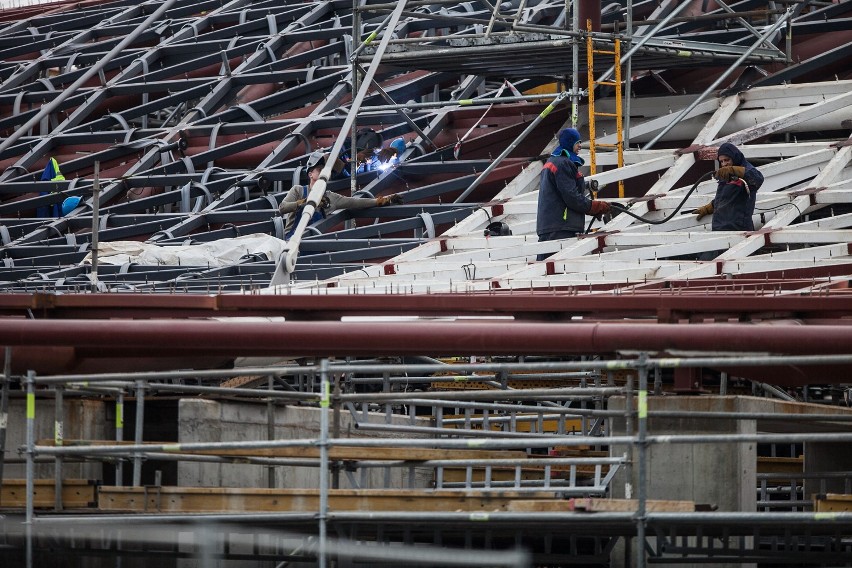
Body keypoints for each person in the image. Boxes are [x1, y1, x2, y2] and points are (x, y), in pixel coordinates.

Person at [278, 151, 402, 239]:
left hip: (313, 244)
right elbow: (282, 208)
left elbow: (355, 202)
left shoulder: (331, 198)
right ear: (310, 174)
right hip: (290, 242)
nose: (325, 174)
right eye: (320, 170)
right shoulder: (297, 191)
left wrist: (382, 201)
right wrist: (304, 203)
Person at [535, 128, 611, 261]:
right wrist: (594, 207)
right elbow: (572, 197)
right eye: (577, 142)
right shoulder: (564, 164)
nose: (580, 145)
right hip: (561, 227)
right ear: (569, 143)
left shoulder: (552, 162)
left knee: (545, 271)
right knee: (559, 270)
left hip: (550, 226)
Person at [694, 142, 764, 259]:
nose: (724, 164)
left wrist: (735, 171)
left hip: (738, 230)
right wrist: (710, 207)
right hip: (720, 230)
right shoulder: (726, 175)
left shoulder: (746, 171)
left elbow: (758, 179)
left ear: (734, 157)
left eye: (727, 160)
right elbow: (724, 197)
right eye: (721, 161)